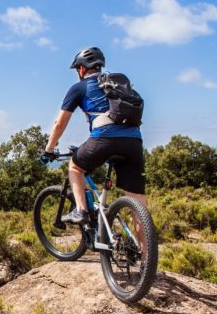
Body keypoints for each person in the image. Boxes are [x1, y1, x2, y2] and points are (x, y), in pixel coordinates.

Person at [43, 47, 146, 227]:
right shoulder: (116, 85)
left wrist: (49, 149)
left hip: (104, 140)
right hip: (134, 141)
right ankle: (147, 253)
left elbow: (59, 124)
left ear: (82, 69)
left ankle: (81, 210)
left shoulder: (79, 87)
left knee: (75, 167)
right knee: (139, 207)